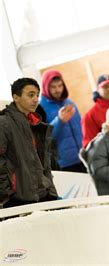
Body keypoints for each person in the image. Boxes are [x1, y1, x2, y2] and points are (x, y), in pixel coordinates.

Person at [0, 78, 58, 208]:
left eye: (37, 95)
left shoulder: (36, 124)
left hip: (43, 195)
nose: (36, 99)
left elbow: (43, 165)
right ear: (16, 97)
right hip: (18, 199)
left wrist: (51, 191)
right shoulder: (4, 123)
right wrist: (5, 194)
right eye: (30, 95)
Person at [40, 70, 86, 172]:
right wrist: (59, 121)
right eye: (53, 87)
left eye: (60, 85)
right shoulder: (39, 108)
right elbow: (42, 138)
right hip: (63, 164)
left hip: (82, 158)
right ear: (45, 87)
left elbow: (81, 129)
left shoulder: (70, 102)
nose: (57, 90)